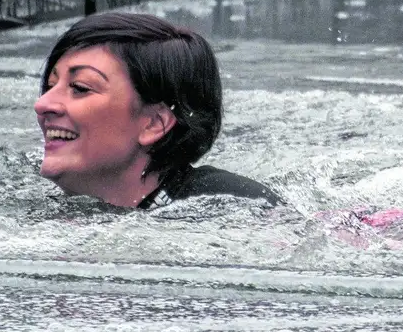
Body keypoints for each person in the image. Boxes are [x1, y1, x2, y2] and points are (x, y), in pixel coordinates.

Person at [34, 11, 280, 209]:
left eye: (80, 87)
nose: (42, 104)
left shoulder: (238, 207)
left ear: (154, 123)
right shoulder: (29, 197)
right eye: (50, 86)